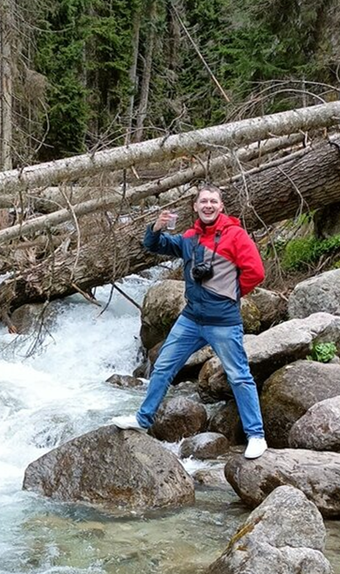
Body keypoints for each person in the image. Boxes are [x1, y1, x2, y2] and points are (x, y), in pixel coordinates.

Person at [110, 185, 268, 459]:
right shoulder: (190, 237)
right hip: (191, 319)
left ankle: (256, 436)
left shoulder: (236, 235)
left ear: (221, 206)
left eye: (213, 201)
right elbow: (155, 245)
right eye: (203, 201)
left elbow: (256, 272)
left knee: (239, 376)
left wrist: (231, 293)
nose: (208, 205)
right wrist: (156, 228)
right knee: (162, 367)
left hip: (223, 321)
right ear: (195, 207)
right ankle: (143, 419)